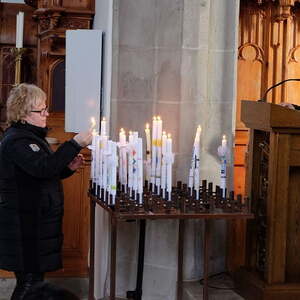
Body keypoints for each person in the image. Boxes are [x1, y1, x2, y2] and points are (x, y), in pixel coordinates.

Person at [0, 83, 93, 300]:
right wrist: (75, 143)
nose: (47, 114)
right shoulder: (17, 141)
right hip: (24, 225)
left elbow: (39, 174)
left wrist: (66, 169)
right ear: (23, 114)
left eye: (46, 108)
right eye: (40, 110)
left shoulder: (30, 137)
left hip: (32, 222)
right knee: (30, 283)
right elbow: (42, 168)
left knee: (33, 281)